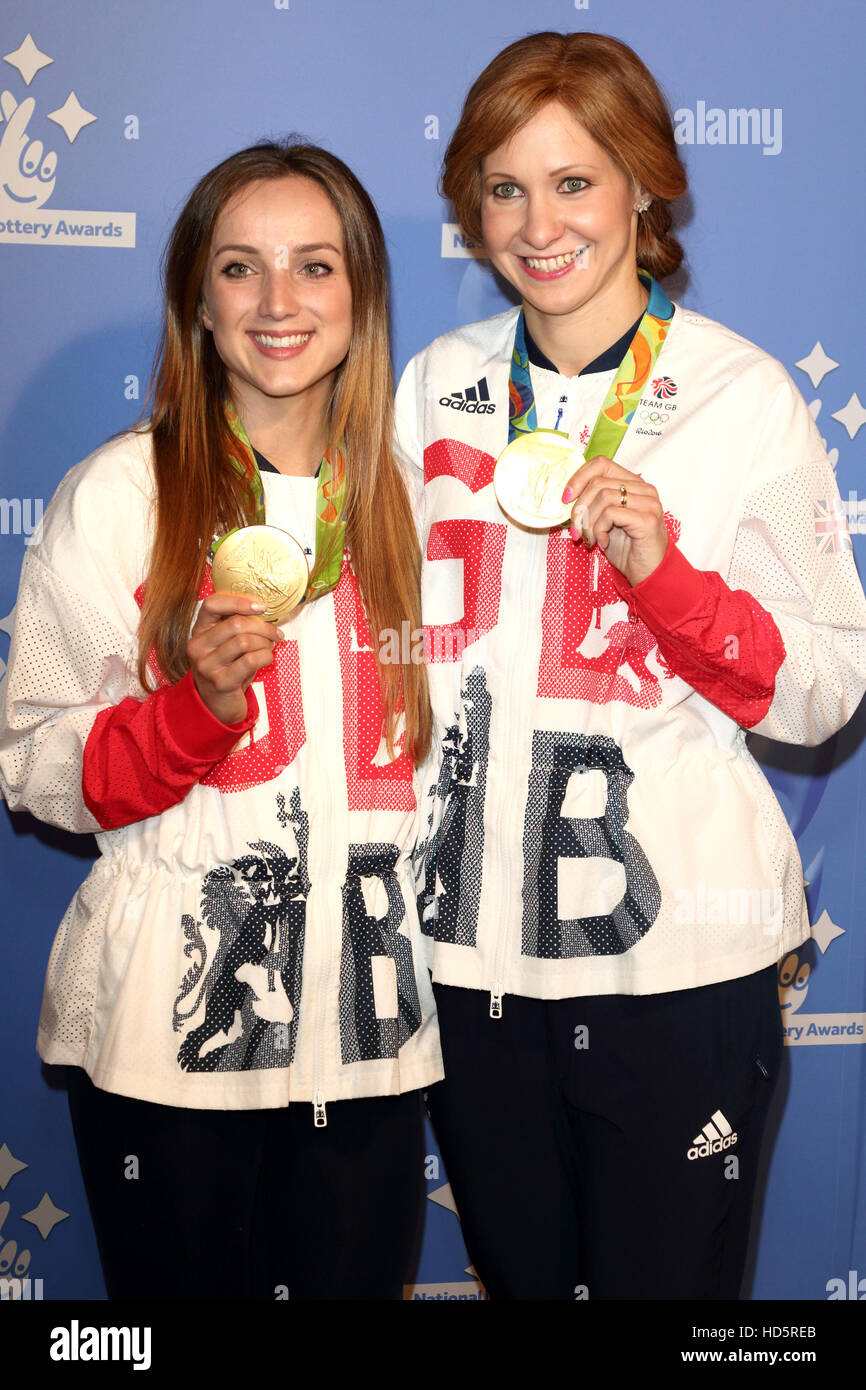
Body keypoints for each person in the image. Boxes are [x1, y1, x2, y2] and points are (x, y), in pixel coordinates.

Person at [395, 31, 866, 1300]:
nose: (538, 223)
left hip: (674, 968)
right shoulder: (431, 386)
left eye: (574, 181)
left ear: (643, 186)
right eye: (504, 187)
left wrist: (663, 576)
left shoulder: (739, 395)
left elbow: (822, 689)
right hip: (477, 955)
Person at [0, 141, 441, 1301]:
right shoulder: (121, 497)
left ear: (362, 296)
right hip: (169, 1040)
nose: (280, 302)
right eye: (241, 269)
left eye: (315, 266)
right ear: (197, 299)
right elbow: (38, 766)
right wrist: (188, 711)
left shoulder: (421, 505)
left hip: (367, 1040)